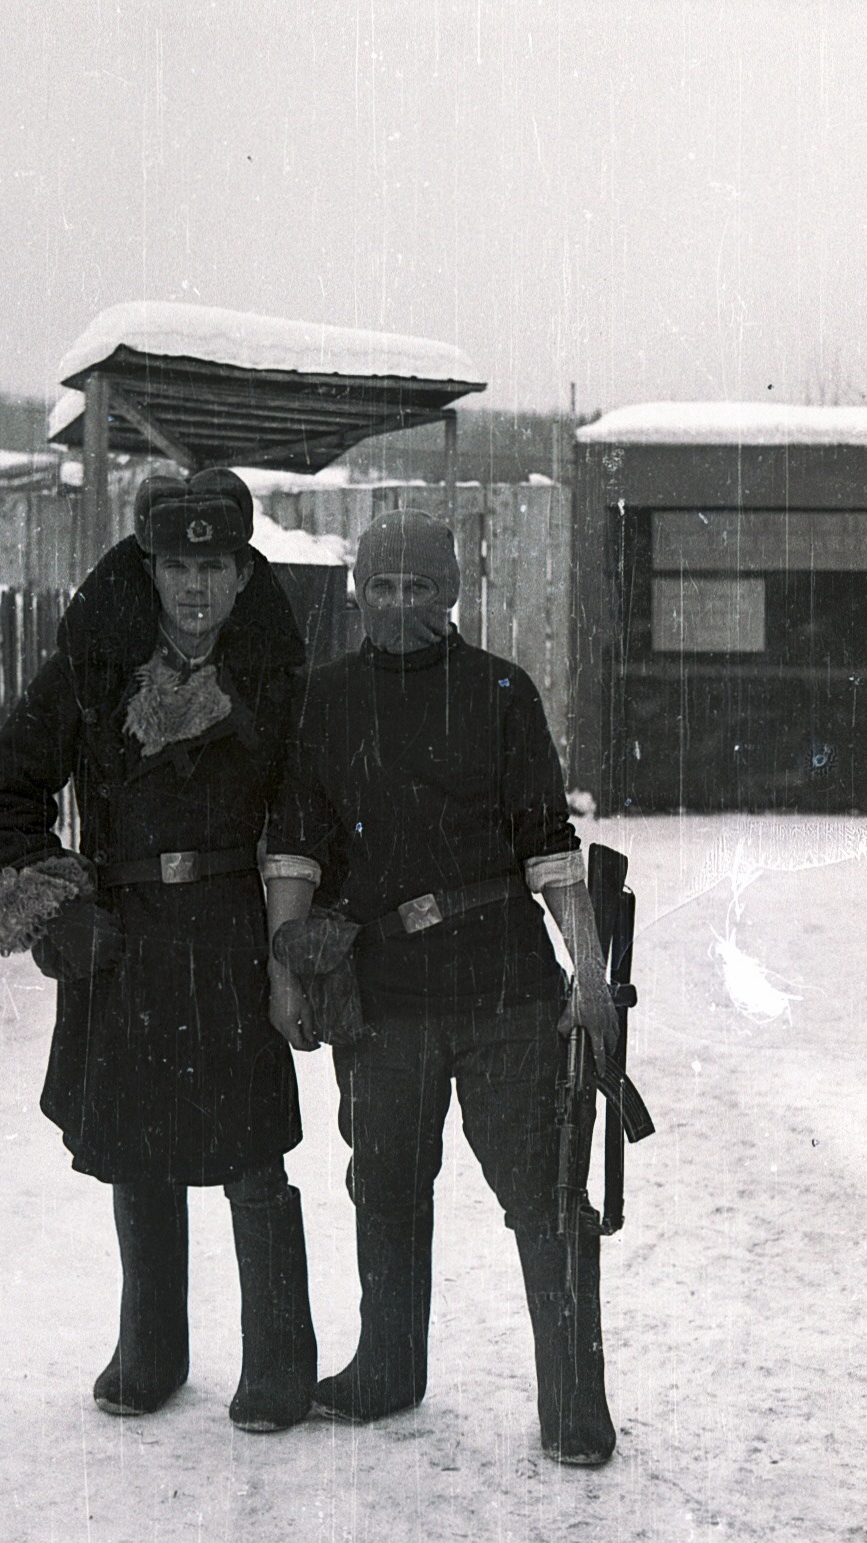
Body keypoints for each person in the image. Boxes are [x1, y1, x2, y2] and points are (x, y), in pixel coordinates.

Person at [264, 508, 621, 1464]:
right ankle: (388, 1367)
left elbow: (549, 844)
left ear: (451, 592)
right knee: (383, 1186)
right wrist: (284, 968)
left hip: (503, 988)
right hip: (382, 1001)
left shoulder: (503, 693)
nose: (400, 605)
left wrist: (587, 970)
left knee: (544, 1197)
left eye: (420, 586)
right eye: (381, 586)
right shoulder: (324, 701)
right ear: (358, 592)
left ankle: (574, 1402)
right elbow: (295, 846)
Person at [0, 467, 317, 1433]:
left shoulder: (281, 676)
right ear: (150, 569)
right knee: (138, 1148)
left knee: (251, 1149)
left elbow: (311, 806)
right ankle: (151, 1350)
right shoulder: (93, 668)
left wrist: (302, 933)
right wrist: (50, 902)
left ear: (245, 574)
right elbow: (4, 794)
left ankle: (282, 1360)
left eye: (217, 565)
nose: (196, 587)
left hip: (233, 936)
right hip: (121, 943)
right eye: (177, 565)